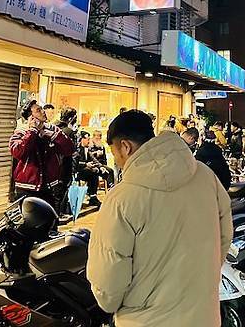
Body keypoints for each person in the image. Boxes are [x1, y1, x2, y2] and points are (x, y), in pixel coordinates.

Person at [87, 110, 233, 327]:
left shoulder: (122, 198)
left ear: (125, 147)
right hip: (203, 314)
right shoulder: (204, 175)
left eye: (115, 153)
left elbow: (109, 280)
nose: (117, 162)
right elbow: (224, 235)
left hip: (145, 319)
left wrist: (114, 302)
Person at [9, 100, 74, 209]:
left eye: (42, 109)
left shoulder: (52, 129)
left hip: (50, 186)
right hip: (27, 186)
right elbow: (17, 151)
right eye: (38, 110)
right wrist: (33, 131)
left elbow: (69, 149)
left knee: (50, 221)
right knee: (29, 222)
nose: (43, 112)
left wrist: (54, 136)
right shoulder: (21, 131)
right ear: (31, 117)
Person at [74, 131, 113, 207]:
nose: (89, 141)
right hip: (78, 172)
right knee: (93, 172)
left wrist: (101, 166)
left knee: (106, 170)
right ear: (82, 139)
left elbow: (93, 159)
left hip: (89, 169)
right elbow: (75, 163)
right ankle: (93, 197)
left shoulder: (87, 149)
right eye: (87, 139)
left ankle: (106, 192)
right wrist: (86, 164)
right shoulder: (77, 149)